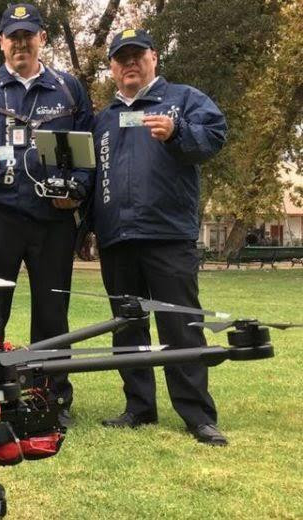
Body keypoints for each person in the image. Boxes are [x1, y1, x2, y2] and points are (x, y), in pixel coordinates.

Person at [0, 3, 94, 426]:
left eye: (27, 35)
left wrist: (78, 192)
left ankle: (51, 400)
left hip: (52, 218)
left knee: (52, 313)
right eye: (12, 36)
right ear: (1, 42)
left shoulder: (69, 89)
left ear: (42, 38)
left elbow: (87, 155)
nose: (20, 43)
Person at [91, 28, 229, 445]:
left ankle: (197, 414)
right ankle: (138, 407)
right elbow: (94, 177)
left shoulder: (184, 100)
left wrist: (177, 131)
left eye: (137, 55)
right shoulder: (104, 118)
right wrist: (88, 229)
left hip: (168, 234)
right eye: (121, 57)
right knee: (127, 326)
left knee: (181, 325)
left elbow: (214, 138)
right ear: (113, 67)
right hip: (117, 236)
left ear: (154, 58)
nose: (129, 63)